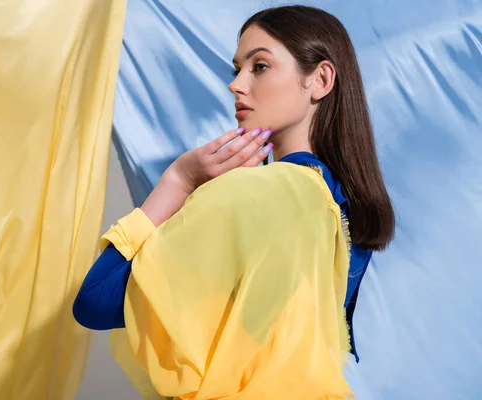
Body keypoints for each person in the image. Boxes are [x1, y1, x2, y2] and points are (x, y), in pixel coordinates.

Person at [73, 5, 394, 399]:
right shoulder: (338, 204)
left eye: (259, 67)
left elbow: (95, 300)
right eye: (236, 70)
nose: (236, 85)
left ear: (320, 79)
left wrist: (178, 180)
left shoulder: (256, 196)